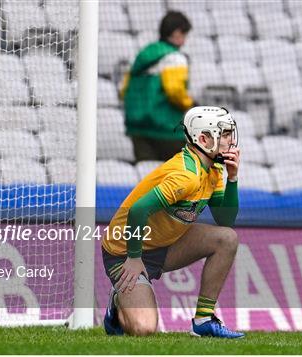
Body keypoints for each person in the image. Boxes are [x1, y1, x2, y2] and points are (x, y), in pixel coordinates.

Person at [102, 106, 244, 338]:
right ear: (203, 138)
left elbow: (225, 219)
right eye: (225, 134)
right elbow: (137, 211)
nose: (230, 140)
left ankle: (204, 319)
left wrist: (233, 178)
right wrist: (134, 258)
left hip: (164, 244)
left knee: (227, 238)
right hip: (125, 249)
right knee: (143, 328)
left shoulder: (215, 169)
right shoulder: (185, 176)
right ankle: (117, 303)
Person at [120, 11, 195, 162]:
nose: (185, 41)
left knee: (148, 177)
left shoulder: (142, 55)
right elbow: (175, 91)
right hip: (167, 130)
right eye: (184, 35)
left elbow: (123, 90)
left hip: (138, 129)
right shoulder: (175, 58)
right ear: (177, 33)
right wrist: (190, 104)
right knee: (175, 179)